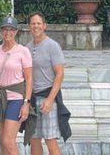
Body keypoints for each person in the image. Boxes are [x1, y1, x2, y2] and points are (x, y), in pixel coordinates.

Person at [0, 16, 33, 155]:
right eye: (5, 29)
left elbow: (29, 78)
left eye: (11, 30)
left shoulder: (22, 51)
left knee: (9, 142)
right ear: (1, 31)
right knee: (2, 141)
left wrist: (26, 102)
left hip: (15, 97)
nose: (8, 33)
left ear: (16, 32)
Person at [25, 12, 72, 155]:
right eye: (33, 23)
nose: (36, 26)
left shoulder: (53, 46)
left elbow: (60, 74)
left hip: (48, 96)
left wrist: (50, 99)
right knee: (34, 139)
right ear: (29, 26)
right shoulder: (27, 47)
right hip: (32, 98)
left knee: (50, 140)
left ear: (44, 25)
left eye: (39, 23)